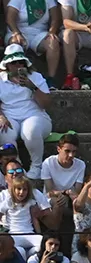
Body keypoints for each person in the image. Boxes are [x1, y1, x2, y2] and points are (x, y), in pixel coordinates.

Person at [0, 47, 51, 181]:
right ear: (7, 65)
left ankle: (36, 167)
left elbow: (46, 103)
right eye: (14, 63)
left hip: (35, 115)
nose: (18, 66)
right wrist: (1, 116)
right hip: (9, 116)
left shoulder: (35, 77)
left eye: (21, 62)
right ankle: (16, 167)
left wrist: (32, 87)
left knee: (30, 130)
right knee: (4, 132)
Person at [57, 0, 91, 92]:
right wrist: (86, 28)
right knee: (67, 34)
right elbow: (66, 22)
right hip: (76, 33)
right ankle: (69, 76)